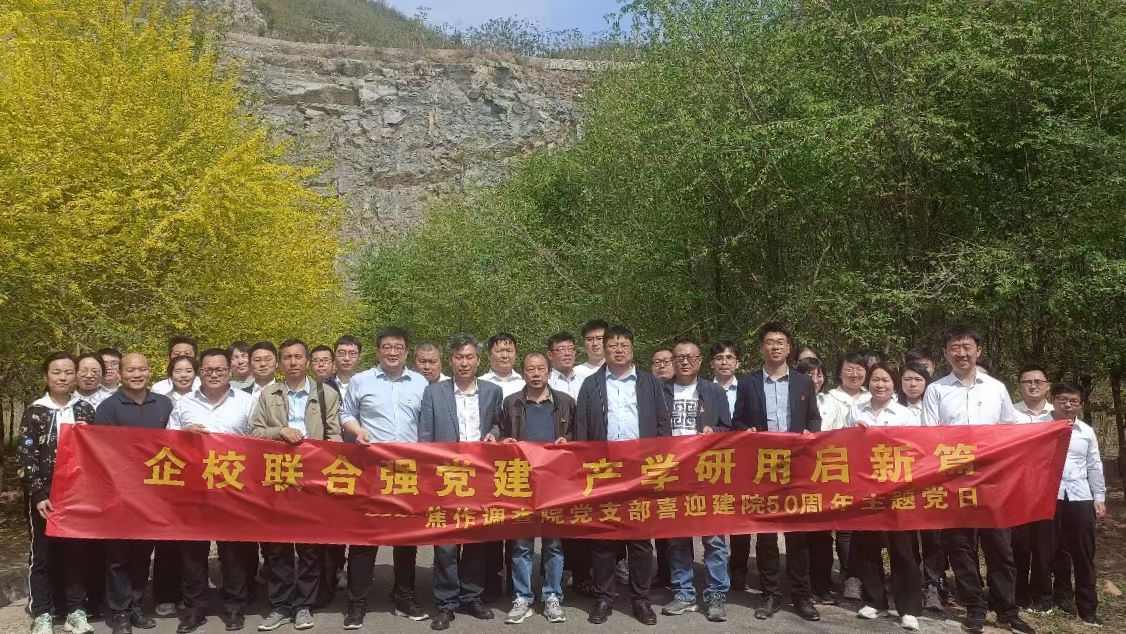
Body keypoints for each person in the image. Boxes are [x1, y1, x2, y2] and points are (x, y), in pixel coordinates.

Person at [921, 326, 1031, 634]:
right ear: (946, 354)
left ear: (978, 350)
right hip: (954, 482)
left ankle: (1007, 611)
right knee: (960, 547)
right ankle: (974, 607)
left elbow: (1009, 429)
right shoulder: (937, 390)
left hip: (992, 482)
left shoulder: (996, 388)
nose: (961, 353)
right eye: (954, 348)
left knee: (1000, 548)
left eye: (966, 347)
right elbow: (929, 435)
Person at [575, 324, 670, 626]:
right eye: (612, 345)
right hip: (604, 470)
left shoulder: (648, 382)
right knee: (604, 538)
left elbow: (662, 424)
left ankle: (640, 599)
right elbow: (581, 428)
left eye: (623, 345)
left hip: (641, 469)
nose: (618, 350)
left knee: (640, 539)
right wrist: (584, 468)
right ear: (604, 349)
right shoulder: (591, 384)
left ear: (632, 348)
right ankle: (604, 597)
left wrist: (659, 463)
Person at [730, 322, 821, 622]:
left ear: (789, 348)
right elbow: (738, 421)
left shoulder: (803, 383)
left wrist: (810, 434)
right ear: (762, 348)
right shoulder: (748, 383)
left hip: (797, 467)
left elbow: (814, 419)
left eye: (781, 342)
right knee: (767, 535)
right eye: (770, 342)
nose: (775, 346)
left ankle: (802, 595)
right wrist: (747, 431)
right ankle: (770, 594)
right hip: (763, 467)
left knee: (798, 535)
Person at [249, 339, 342, 632]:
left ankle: (304, 604)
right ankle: (280, 604)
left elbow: (335, 435)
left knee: (309, 547)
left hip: (312, 480)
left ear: (307, 361)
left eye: (298, 357)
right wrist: (280, 431)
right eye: (287, 357)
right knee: (277, 546)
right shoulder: (268, 394)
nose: (293, 362)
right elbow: (254, 431)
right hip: (277, 478)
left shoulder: (326, 394)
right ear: (280, 363)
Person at [339, 327, 429, 627]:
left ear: (406, 351)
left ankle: (404, 595)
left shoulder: (420, 382)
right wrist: (357, 431)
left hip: (408, 471)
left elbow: (427, 423)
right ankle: (357, 602)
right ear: (378, 351)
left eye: (398, 347)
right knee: (365, 537)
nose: (392, 352)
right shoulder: (361, 380)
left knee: (406, 538)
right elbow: (346, 414)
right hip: (371, 470)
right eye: (387, 347)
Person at [168, 349, 258, 633]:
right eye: (208, 370)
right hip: (194, 489)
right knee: (193, 552)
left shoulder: (247, 401)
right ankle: (194, 609)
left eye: (220, 369)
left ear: (229, 371)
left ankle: (235, 606)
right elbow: (166, 441)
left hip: (233, 486)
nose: (214, 374)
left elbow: (258, 441)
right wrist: (183, 436)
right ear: (200, 372)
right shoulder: (183, 403)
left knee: (233, 551)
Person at [418, 335, 502, 631]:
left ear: (478, 360)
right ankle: (446, 603)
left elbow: (498, 423)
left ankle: (472, 596)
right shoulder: (434, 392)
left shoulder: (493, 391)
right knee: (446, 544)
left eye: (469, 357)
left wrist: (494, 433)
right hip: (445, 477)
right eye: (458, 357)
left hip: (479, 477)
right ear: (450, 360)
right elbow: (425, 436)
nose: (464, 363)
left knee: (476, 541)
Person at [94, 353, 175, 634]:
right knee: (118, 556)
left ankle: (136, 605)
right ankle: (119, 612)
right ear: (120, 374)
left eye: (142, 369)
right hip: (119, 493)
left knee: (142, 553)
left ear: (150, 372)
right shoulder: (108, 408)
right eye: (131, 370)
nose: (137, 374)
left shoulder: (164, 404)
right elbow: (101, 452)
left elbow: (175, 446)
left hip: (153, 495)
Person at [20, 352, 96, 634]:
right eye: (56, 372)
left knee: (75, 553)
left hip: (78, 495)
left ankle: (75, 610)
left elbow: (98, 452)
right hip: (45, 496)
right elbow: (25, 456)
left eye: (68, 372)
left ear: (75, 376)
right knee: (42, 555)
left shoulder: (86, 409)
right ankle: (42, 612)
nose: (63, 377)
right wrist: (38, 494)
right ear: (46, 377)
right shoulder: (35, 412)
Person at [497, 352, 573, 625]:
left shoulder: (565, 402)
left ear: (549, 372)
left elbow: (579, 434)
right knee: (521, 545)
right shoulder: (511, 402)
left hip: (555, 484)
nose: (536, 373)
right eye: (531, 369)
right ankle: (522, 597)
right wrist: (502, 440)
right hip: (521, 484)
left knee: (553, 544)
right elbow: (500, 430)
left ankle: (552, 596)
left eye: (541, 368)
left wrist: (569, 439)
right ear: (523, 373)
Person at [846, 363, 922, 632]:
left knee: (903, 549)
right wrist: (853, 433)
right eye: (876, 380)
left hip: (897, 490)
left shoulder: (905, 414)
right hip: (865, 489)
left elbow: (915, 449)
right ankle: (874, 600)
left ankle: (908, 608)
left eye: (886, 380)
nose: (880, 385)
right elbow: (843, 447)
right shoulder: (856, 411)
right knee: (867, 546)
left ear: (894, 384)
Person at [659, 339, 731, 622]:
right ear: (673, 361)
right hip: (672, 472)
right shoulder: (660, 390)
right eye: (679, 357)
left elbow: (728, 428)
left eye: (690, 357)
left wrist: (716, 432)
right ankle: (684, 593)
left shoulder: (714, 391)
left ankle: (716, 594)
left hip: (706, 473)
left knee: (714, 538)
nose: (685, 361)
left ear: (700, 360)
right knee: (677, 538)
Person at [1048, 383, 1106, 626]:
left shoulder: (1086, 431)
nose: (1068, 405)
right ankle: (1061, 595)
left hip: (1080, 496)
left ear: (1081, 405)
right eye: (1062, 399)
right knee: (1054, 547)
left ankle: (1088, 606)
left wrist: (1099, 497)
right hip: (1049, 496)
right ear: (1053, 400)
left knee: (1083, 551)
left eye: (1073, 401)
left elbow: (1094, 464)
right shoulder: (1041, 427)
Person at [898, 362, 947, 612]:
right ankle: (909, 583)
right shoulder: (893, 407)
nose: (913, 384)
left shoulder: (936, 405)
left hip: (931, 479)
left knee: (932, 536)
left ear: (927, 383)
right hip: (901, 480)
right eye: (908, 379)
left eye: (918, 379)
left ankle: (933, 585)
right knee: (906, 536)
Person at [793, 356, 837, 606]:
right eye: (809, 374)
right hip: (800, 472)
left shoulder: (833, 401)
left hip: (827, 472)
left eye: (819, 374)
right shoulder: (794, 399)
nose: (815, 379)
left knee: (823, 534)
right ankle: (802, 586)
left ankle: (823, 585)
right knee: (801, 534)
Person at [479, 332, 525, 397]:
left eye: (509, 351)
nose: (505, 356)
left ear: (516, 355)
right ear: (489, 355)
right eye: (499, 351)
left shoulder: (525, 383)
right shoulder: (480, 384)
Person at [546, 332, 582, 399]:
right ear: (550, 355)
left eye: (571, 349)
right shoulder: (546, 382)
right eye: (561, 350)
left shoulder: (584, 380)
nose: (567, 353)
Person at [710, 340, 741, 416]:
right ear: (712, 364)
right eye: (719, 358)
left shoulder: (747, 390)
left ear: (737, 363)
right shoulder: (702, 390)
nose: (724, 362)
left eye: (729, 357)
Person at [327, 335, 363, 400]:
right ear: (334, 356)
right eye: (342, 353)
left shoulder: (367, 384)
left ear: (359, 357)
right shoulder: (324, 385)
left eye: (352, 353)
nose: (347, 358)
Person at [572, 319, 608, 384]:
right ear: (583, 342)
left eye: (599, 338)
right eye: (589, 339)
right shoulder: (576, 373)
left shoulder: (620, 370)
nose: (595, 343)